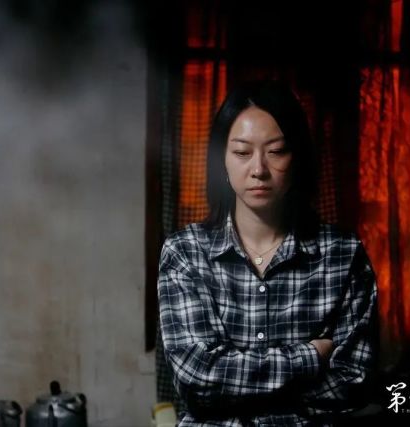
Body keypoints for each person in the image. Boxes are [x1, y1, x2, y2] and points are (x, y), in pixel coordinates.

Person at [157, 80, 379, 426]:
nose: (259, 169)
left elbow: (353, 382)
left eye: (276, 151)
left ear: (297, 157)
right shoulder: (185, 252)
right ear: (221, 160)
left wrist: (231, 387)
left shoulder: (343, 255)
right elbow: (196, 378)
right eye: (242, 153)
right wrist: (310, 357)